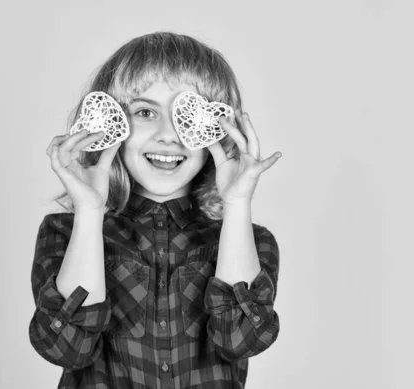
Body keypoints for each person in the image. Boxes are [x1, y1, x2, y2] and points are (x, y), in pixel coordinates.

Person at [29, 31, 282, 389]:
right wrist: (89, 212)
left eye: (187, 116)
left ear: (215, 130)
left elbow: (239, 339)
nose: (169, 135)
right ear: (109, 123)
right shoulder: (64, 233)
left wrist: (237, 204)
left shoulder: (252, 241)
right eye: (146, 112)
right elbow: (67, 348)